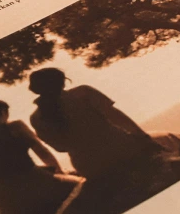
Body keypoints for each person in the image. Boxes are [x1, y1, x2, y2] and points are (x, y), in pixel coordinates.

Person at [0, 99, 79, 214]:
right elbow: (42, 152)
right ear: (3, 112)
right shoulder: (15, 127)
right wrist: (60, 173)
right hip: (37, 188)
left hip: (9, 203)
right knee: (80, 185)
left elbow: (6, 166)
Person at [29, 69, 160, 181]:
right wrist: (143, 137)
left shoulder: (35, 118)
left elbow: (59, 148)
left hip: (88, 166)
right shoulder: (83, 93)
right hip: (121, 149)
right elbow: (117, 117)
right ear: (62, 81)